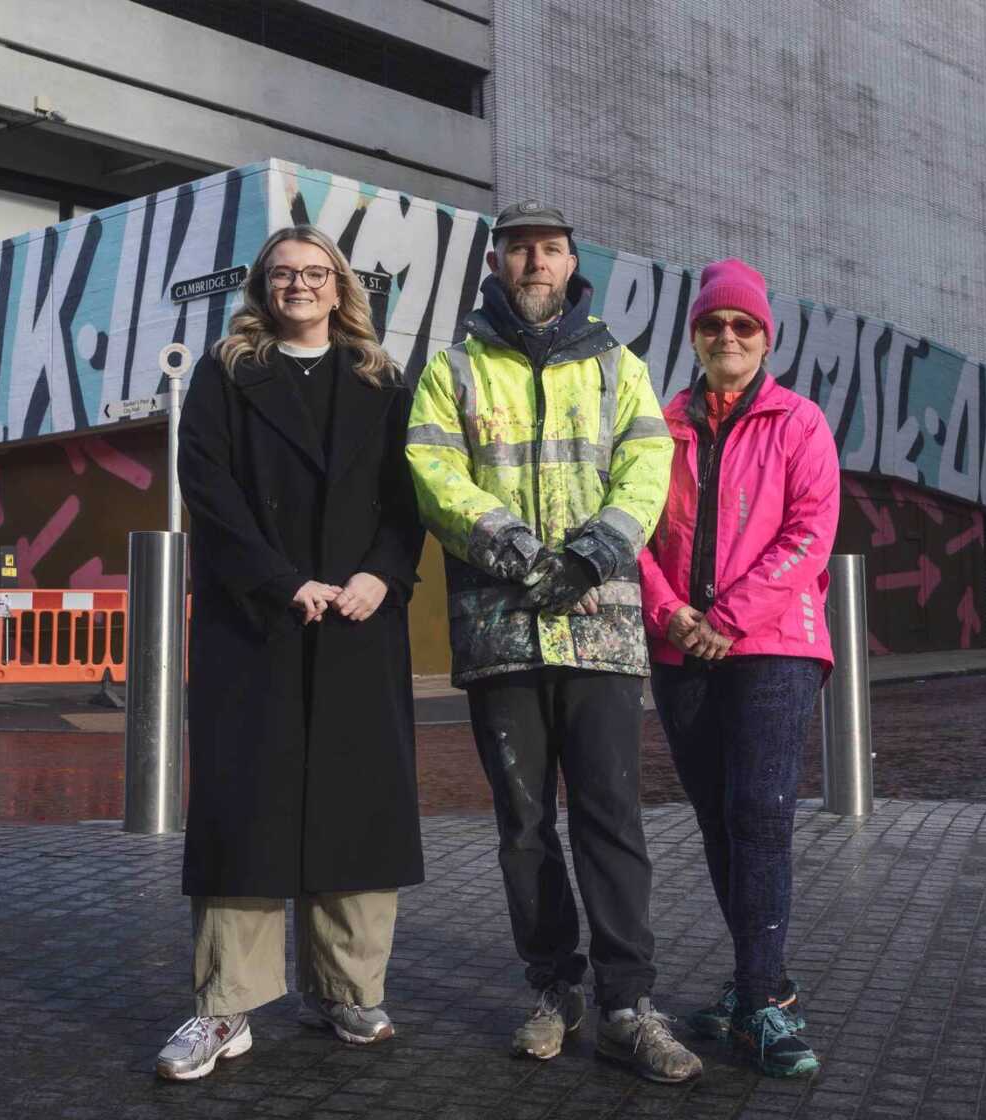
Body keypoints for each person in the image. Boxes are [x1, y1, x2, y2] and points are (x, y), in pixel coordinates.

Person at [405, 201, 701, 1083]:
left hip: (601, 632)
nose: (536, 262)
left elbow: (647, 470)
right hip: (501, 634)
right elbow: (433, 473)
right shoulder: (453, 369)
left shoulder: (619, 367)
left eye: (551, 250)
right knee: (524, 825)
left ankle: (627, 1004)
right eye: (520, 249)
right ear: (496, 263)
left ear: (573, 265)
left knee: (611, 817)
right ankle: (553, 987)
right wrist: (527, 555)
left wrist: (590, 555)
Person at [157, 225, 424, 1081]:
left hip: (357, 621)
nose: (298, 285)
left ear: (340, 285)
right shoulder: (227, 373)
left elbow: (410, 495)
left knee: (357, 804)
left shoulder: (383, 379)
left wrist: (383, 575)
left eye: (314, 273)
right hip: (256, 623)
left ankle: (347, 990)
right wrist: (278, 581)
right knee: (245, 810)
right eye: (282, 274)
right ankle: (225, 1007)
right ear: (262, 289)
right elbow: (208, 488)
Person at [638, 259, 840, 1078]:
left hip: (774, 645)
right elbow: (634, 529)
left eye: (743, 324)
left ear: (765, 338)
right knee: (720, 818)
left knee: (759, 814)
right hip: (680, 645)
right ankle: (762, 983)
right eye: (713, 323)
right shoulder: (658, 424)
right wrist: (669, 613)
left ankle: (763, 1001)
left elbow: (809, 533)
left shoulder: (799, 422)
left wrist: (725, 619)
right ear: (694, 335)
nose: (728, 335)